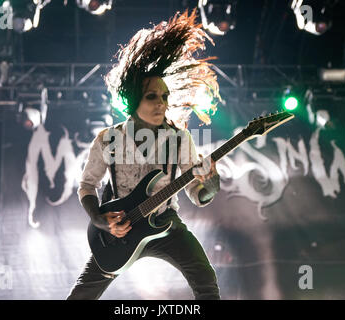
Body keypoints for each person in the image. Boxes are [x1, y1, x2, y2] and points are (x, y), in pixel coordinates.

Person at [67, 9, 222, 300]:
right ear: (132, 100)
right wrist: (102, 222)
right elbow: (87, 186)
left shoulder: (180, 138)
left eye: (165, 96)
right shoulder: (108, 138)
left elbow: (196, 192)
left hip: (166, 224)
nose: (162, 103)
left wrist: (211, 186)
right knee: (81, 295)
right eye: (152, 96)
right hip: (119, 230)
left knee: (205, 279)